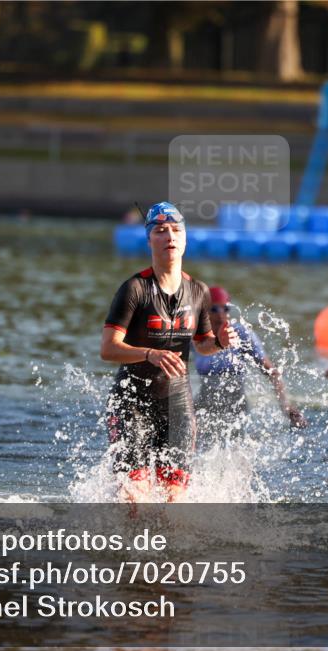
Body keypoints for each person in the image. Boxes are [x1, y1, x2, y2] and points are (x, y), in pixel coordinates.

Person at [100, 201, 234, 503]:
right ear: (149, 240)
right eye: (161, 231)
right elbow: (108, 349)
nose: (169, 237)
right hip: (131, 401)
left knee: (174, 500)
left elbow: (202, 344)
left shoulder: (199, 291)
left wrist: (221, 342)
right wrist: (150, 354)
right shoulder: (134, 289)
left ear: (185, 240)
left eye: (176, 230)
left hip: (176, 404)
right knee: (134, 499)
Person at [192, 286, 306, 431]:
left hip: (236, 406)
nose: (221, 314)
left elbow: (272, 372)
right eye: (215, 309)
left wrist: (286, 406)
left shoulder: (241, 334)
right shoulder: (195, 336)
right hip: (204, 405)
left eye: (225, 308)